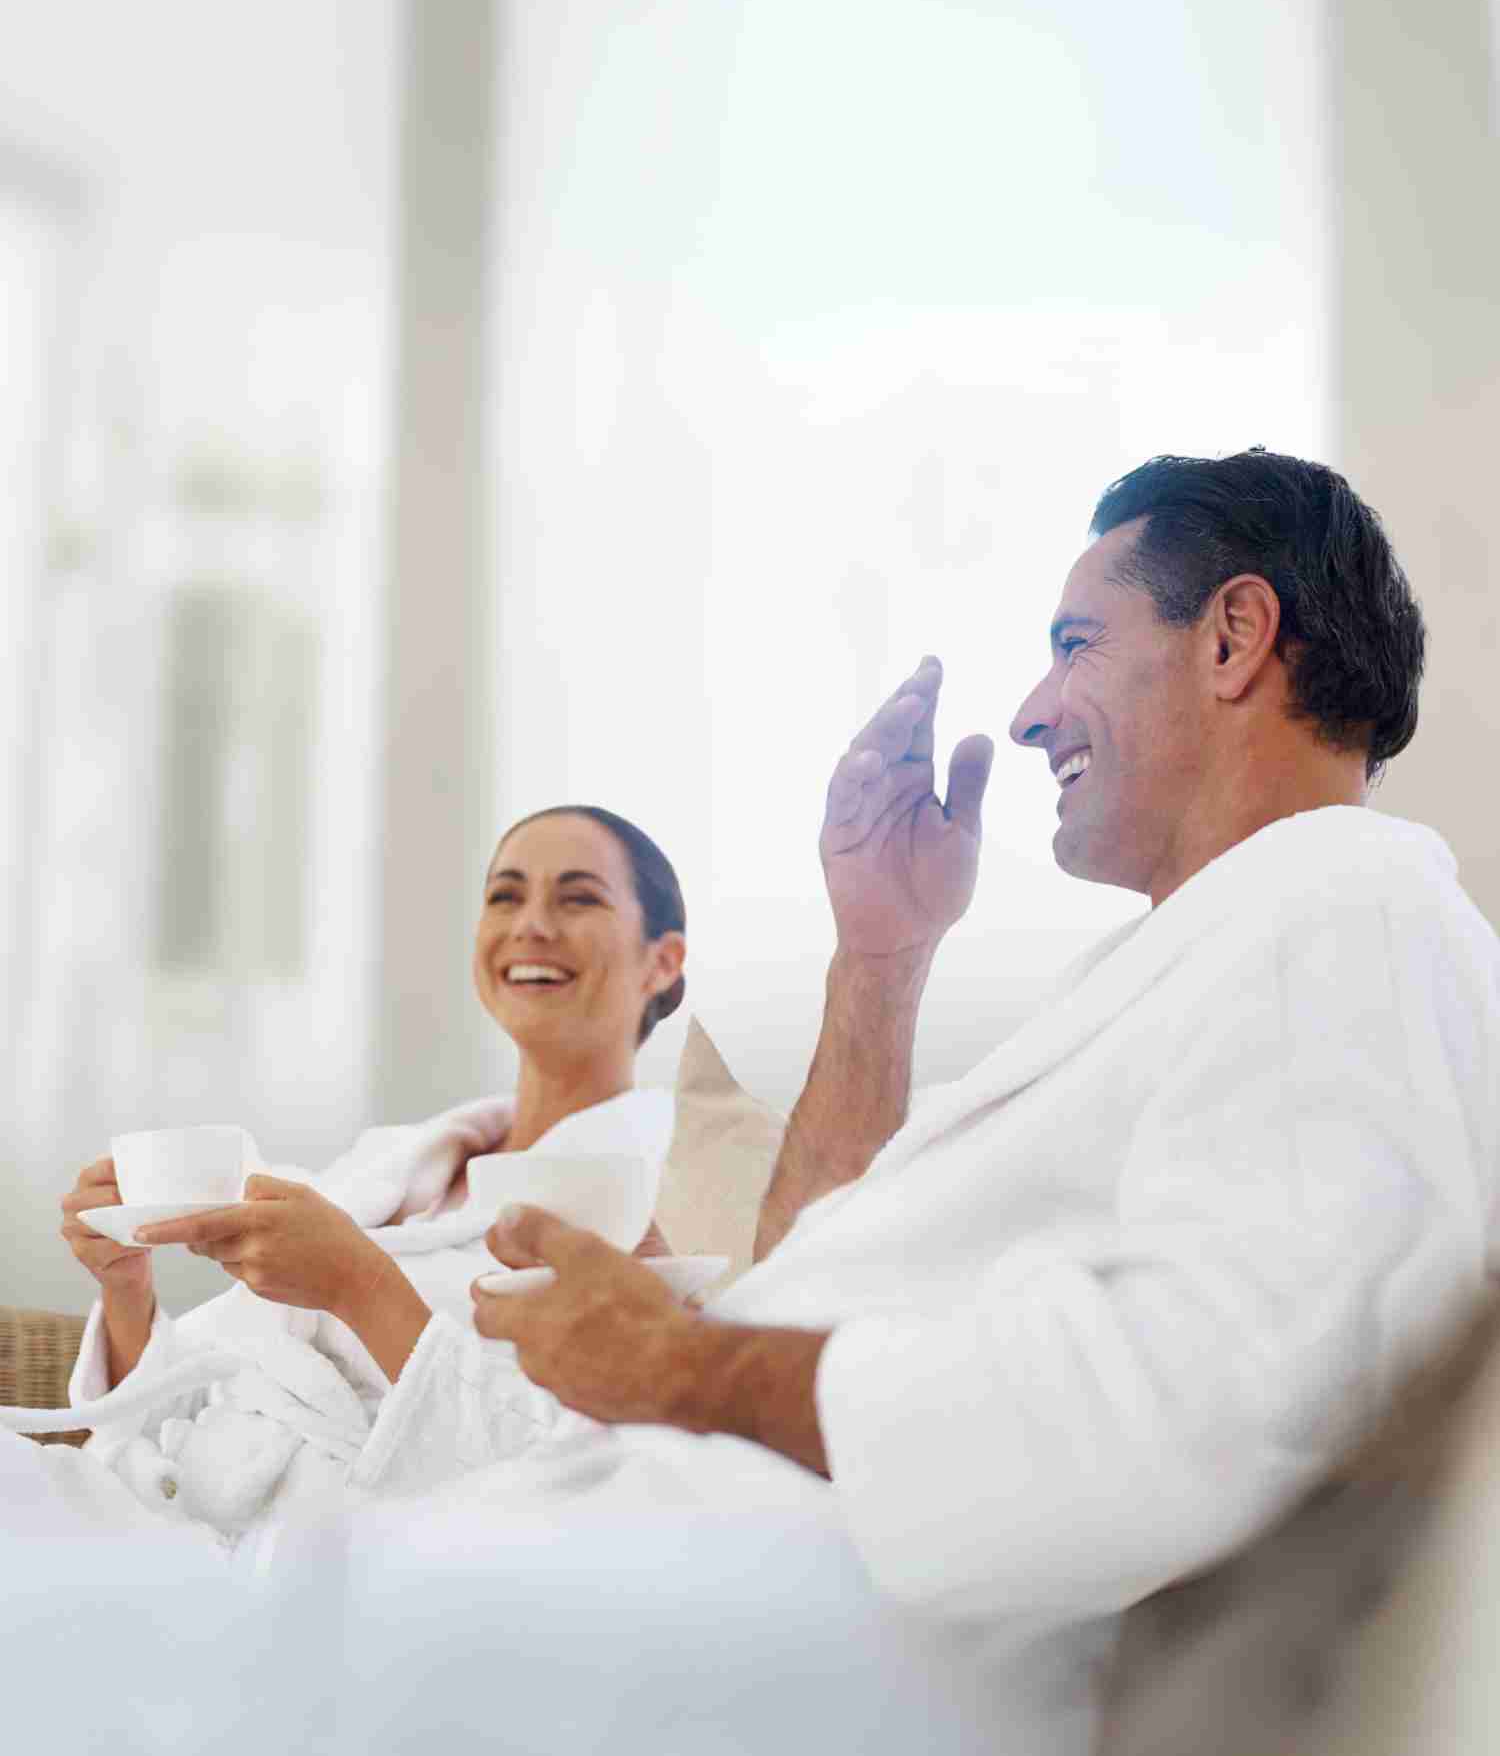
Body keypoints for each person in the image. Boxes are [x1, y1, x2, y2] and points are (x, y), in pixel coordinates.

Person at [456, 451, 1500, 1754]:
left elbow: (1220, 1401)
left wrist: (687, 1365)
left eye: (1074, 645)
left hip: (694, 1646)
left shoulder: (1348, 914)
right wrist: (880, 954)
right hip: (627, 1571)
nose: (1028, 715)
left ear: (1234, 635)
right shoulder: (1211, 956)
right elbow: (818, 1271)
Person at [6, 804, 688, 1549]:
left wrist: (359, 1286)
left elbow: (588, 1484)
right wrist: (128, 1289)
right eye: (505, 895)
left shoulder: (663, 1195)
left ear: (662, 960)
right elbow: (201, 1395)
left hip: (328, 1556)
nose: (531, 924)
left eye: (578, 897)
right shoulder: (391, 1165)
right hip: (165, 1510)